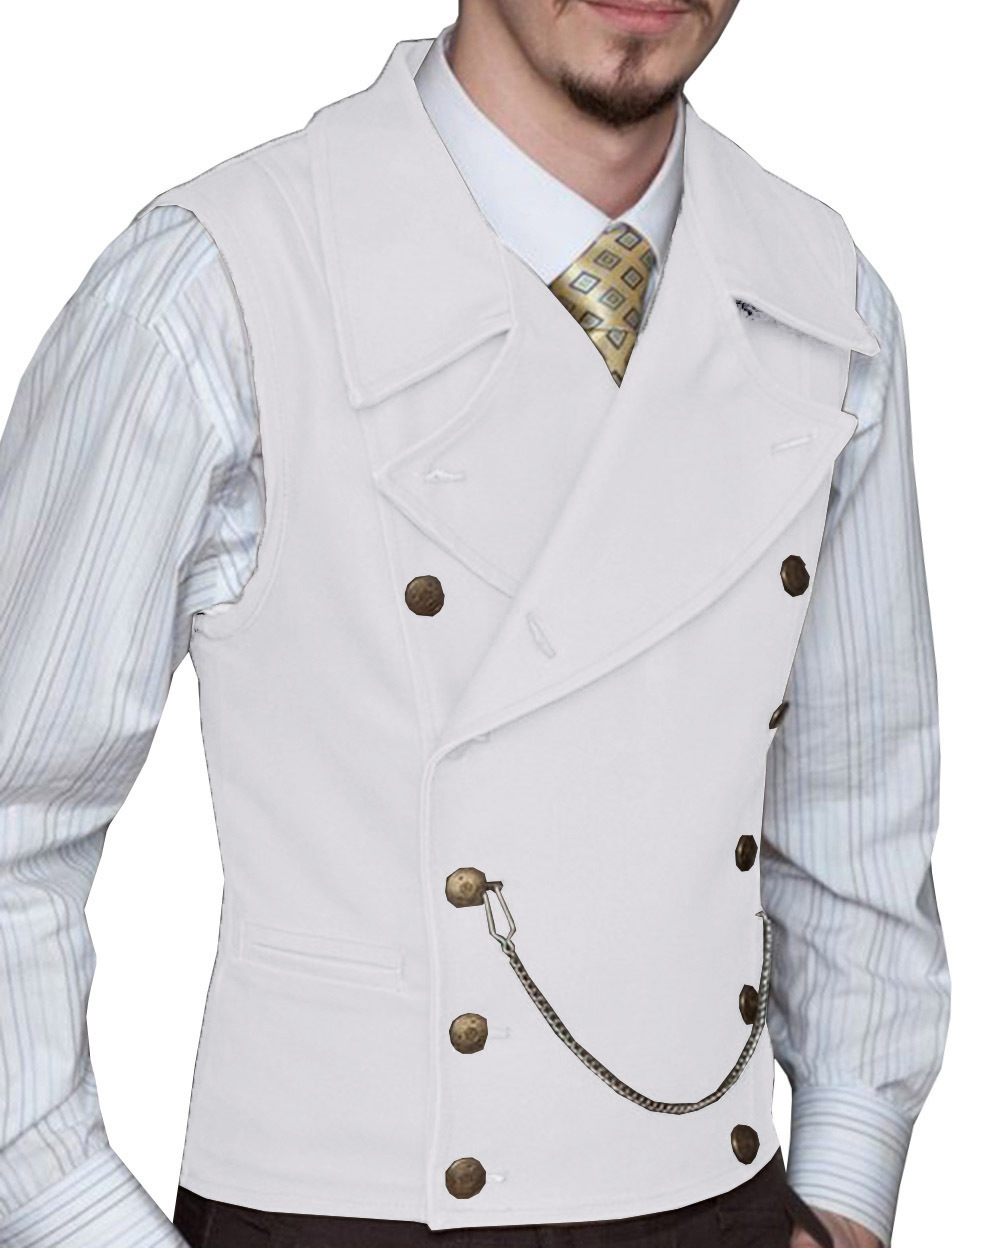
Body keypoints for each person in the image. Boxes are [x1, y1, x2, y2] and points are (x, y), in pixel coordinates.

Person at [0, 3, 950, 1247]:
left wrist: (846, 1180)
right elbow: (15, 813)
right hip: (349, 1218)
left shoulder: (828, 297)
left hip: (725, 1202)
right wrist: (72, 1214)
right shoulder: (218, 284)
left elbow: (858, 800)